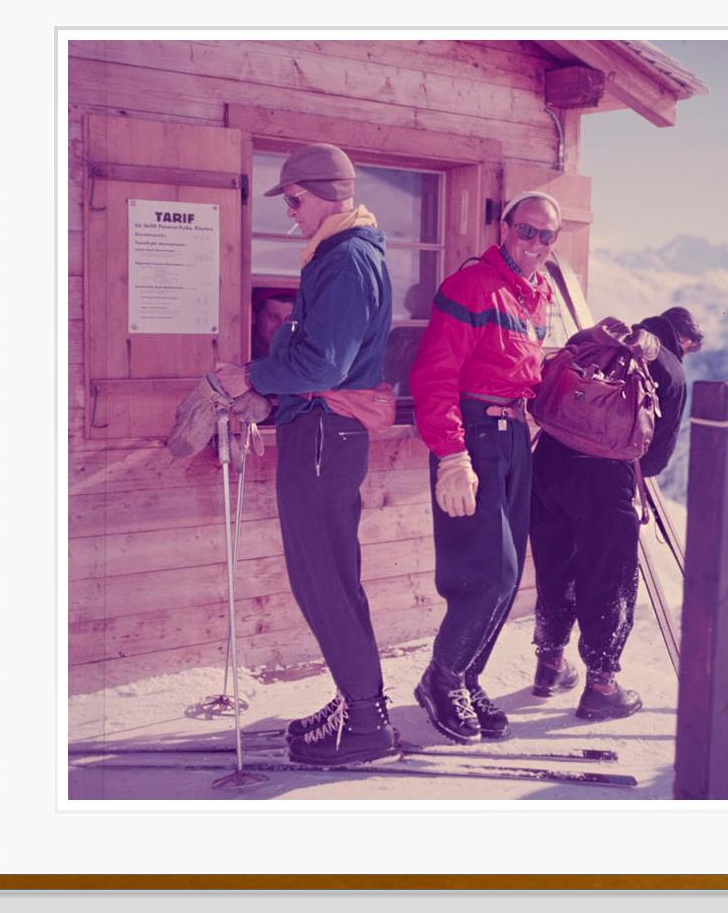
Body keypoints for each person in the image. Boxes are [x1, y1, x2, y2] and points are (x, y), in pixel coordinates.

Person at [241, 143, 395, 765]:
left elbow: (322, 362)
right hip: (329, 432)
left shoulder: (345, 260)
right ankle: (360, 701)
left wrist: (250, 377)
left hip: (325, 436)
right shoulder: (343, 254)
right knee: (332, 576)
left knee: (321, 578)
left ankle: (365, 723)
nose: (292, 214)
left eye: (296, 200)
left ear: (328, 193)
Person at [408, 191, 560, 742]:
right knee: (486, 571)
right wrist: (451, 454)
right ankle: (442, 679)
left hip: (516, 435)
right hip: (474, 437)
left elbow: (525, 368)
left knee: (509, 573)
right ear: (504, 227)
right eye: (528, 232)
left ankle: (467, 677)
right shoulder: (471, 286)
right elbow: (433, 376)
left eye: (547, 236)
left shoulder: (536, 296)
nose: (536, 244)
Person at [529, 306, 703, 720]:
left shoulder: (598, 341)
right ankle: (602, 686)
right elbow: (655, 457)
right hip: (606, 482)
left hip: (549, 462)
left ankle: (549, 666)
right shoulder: (670, 371)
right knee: (609, 580)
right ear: (686, 341)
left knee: (555, 567)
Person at [251, 291, 296, 359]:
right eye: (274, 317)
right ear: (253, 317)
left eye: (288, 319)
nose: (282, 326)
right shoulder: (240, 353)